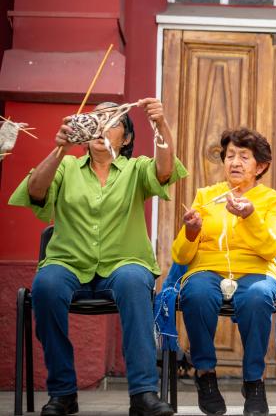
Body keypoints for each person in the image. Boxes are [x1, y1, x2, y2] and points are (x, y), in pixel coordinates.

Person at [9, 99, 184, 416]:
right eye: (95, 120)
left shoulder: (136, 169)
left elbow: (165, 170)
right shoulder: (66, 166)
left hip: (123, 265)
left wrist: (161, 125)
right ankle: (63, 393)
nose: (102, 126)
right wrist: (60, 148)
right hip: (68, 264)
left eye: (112, 122)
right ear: (82, 130)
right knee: (46, 285)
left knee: (134, 280)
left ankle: (142, 394)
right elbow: (35, 191)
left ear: (126, 138)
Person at [172, 128, 276, 416]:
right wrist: (191, 231)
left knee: (259, 297)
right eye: (230, 156)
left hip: (256, 270)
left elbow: (271, 249)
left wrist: (250, 216)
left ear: (260, 167)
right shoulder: (206, 196)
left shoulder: (271, 200)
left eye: (243, 157)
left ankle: (254, 381)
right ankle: (205, 373)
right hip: (207, 269)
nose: (234, 162)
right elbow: (181, 255)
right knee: (196, 293)